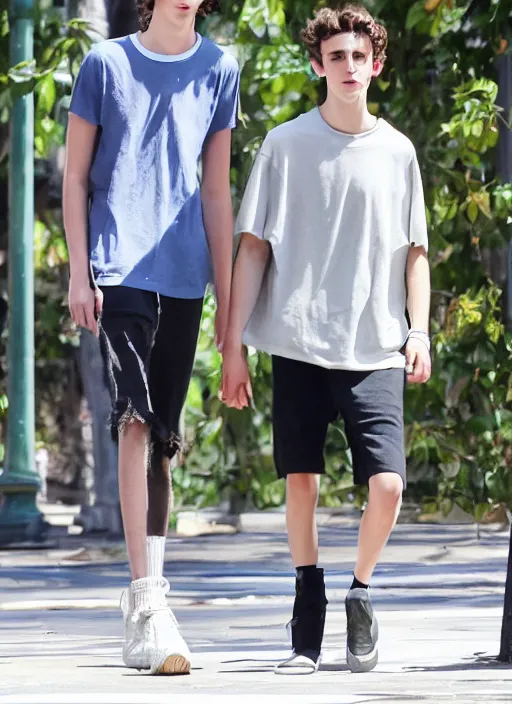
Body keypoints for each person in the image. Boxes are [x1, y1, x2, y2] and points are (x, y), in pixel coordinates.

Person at [221, 3, 431, 675]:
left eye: (358, 56)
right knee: (302, 481)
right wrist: (233, 346)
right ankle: (306, 619)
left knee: (389, 485)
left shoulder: (398, 152)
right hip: (300, 340)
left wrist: (419, 330)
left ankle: (360, 592)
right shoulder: (285, 145)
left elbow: (415, 254)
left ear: (376, 65)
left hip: (376, 344)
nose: (348, 66)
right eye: (335, 56)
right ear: (318, 65)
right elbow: (252, 249)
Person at [63, 0, 239, 675]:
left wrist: (227, 303)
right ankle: (148, 604)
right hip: (115, 267)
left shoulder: (219, 67)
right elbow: (76, 177)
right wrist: (80, 272)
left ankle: (148, 598)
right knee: (133, 418)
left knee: (162, 434)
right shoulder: (105, 62)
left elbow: (217, 193)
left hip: (185, 272)